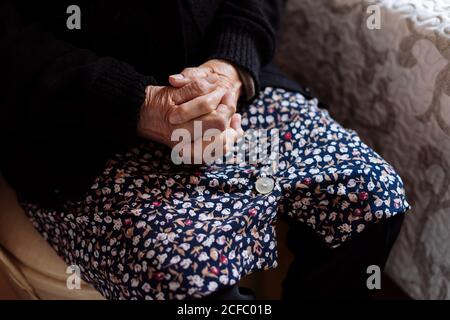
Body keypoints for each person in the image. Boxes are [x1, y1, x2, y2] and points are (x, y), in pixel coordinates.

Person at [0, 0, 410, 300]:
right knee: (192, 284)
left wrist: (229, 67)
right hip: (78, 126)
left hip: (233, 92)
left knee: (373, 198)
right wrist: (139, 104)